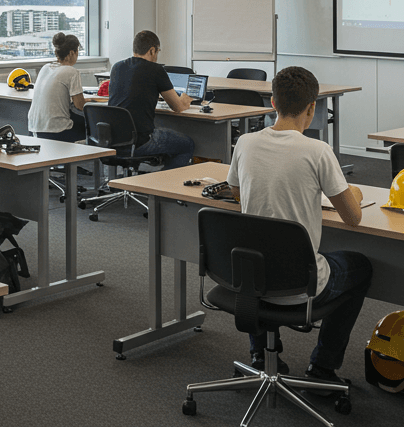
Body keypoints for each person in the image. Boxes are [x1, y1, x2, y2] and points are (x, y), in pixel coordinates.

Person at [226, 66, 371, 389]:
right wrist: (355, 192)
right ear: (313, 107)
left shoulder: (245, 144)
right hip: (299, 288)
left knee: (257, 252)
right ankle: (322, 366)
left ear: (273, 103)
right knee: (359, 267)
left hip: (249, 282)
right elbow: (353, 217)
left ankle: (260, 355)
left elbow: (237, 193)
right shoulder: (318, 151)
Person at [106, 30, 194, 168]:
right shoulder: (155, 70)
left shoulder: (117, 67)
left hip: (112, 139)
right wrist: (185, 99)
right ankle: (165, 184)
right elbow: (178, 107)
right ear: (152, 50)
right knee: (187, 145)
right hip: (140, 141)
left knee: (164, 135)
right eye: (158, 51)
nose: (157, 55)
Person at [28, 32, 89, 142]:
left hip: (33, 129)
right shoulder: (71, 71)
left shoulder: (45, 68)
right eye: (77, 52)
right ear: (71, 53)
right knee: (93, 126)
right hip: (56, 131)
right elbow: (79, 105)